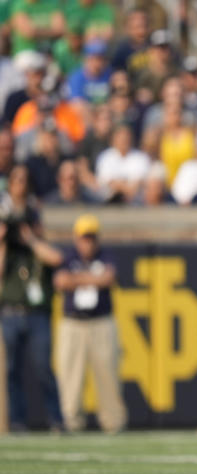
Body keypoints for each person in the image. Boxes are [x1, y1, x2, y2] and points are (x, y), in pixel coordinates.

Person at [0, 164, 63, 431]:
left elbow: (55, 257)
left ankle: (56, 419)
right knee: (12, 371)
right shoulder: (6, 220)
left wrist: (31, 239)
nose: (21, 185)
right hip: (11, 310)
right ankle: (17, 420)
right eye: (16, 180)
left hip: (37, 311)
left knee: (43, 368)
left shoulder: (34, 217)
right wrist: (4, 240)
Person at [52, 214, 126, 434]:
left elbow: (109, 278)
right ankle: (72, 422)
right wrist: (92, 278)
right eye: (85, 238)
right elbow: (60, 281)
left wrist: (77, 279)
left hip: (101, 322)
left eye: (92, 238)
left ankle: (113, 423)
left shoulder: (106, 255)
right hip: (73, 323)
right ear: (77, 238)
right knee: (70, 376)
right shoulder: (68, 256)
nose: (89, 242)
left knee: (108, 375)